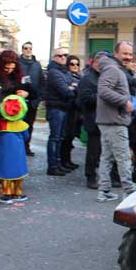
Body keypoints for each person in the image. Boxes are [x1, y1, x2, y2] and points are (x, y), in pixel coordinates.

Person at [96, 44, 136, 202]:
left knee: (107, 158)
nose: (128, 57)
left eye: (130, 54)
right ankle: (129, 190)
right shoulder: (113, 69)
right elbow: (103, 90)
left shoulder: (112, 68)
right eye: (124, 53)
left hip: (109, 120)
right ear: (116, 53)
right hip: (115, 120)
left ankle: (104, 190)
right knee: (123, 157)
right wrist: (124, 101)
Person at [0, 51, 32, 195]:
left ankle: (8, 180)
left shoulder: (18, 76)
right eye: (6, 68)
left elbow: (32, 90)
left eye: (12, 67)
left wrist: (26, 94)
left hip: (14, 118)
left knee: (12, 152)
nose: (9, 70)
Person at [0, 95, 30, 204]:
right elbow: (26, 137)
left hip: (4, 153)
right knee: (18, 172)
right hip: (18, 153)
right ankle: (17, 193)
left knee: (6, 173)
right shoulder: (22, 125)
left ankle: (6, 194)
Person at [45, 48, 77, 176]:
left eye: (65, 55)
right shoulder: (54, 72)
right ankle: (53, 166)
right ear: (54, 58)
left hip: (64, 108)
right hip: (56, 108)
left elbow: (75, 85)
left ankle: (58, 164)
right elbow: (66, 91)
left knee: (61, 137)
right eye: (60, 55)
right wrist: (71, 87)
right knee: (55, 138)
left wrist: (72, 87)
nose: (63, 57)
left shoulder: (64, 71)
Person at [77, 52, 106, 190]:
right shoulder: (87, 78)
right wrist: (104, 96)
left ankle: (99, 174)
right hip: (93, 118)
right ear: (94, 62)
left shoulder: (103, 75)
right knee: (93, 150)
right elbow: (85, 98)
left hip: (103, 117)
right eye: (99, 62)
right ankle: (90, 176)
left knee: (101, 150)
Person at [19, 41, 44, 156]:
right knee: (18, 124)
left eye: (30, 48)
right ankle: (19, 146)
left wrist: (39, 98)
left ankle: (26, 146)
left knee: (29, 125)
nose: (28, 50)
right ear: (22, 50)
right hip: (19, 99)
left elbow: (42, 82)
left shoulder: (37, 64)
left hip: (33, 100)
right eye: (26, 48)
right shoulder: (17, 63)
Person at [60, 55, 82, 171]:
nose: (75, 66)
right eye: (72, 64)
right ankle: (64, 160)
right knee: (66, 136)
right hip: (69, 109)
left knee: (71, 136)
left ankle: (68, 160)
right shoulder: (66, 76)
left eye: (77, 64)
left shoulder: (80, 77)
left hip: (77, 111)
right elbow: (69, 91)